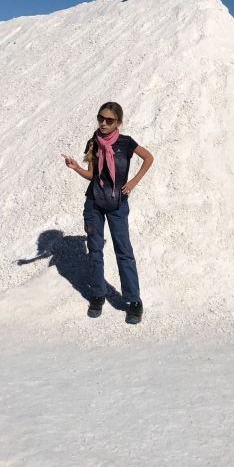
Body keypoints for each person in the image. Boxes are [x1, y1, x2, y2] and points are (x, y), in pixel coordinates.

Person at [61, 102, 154, 324]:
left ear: (118, 123)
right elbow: (92, 174)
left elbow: (149, 158)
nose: (103, 123)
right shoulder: (93, 142)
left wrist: (133, 182)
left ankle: (133, 301)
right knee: (95, 250)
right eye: (100, 118)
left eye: (109, 120)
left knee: (124, 250)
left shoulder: (126, 143)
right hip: (94, 202)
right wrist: (76, 168)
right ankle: (98, 294)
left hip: (118, 203)